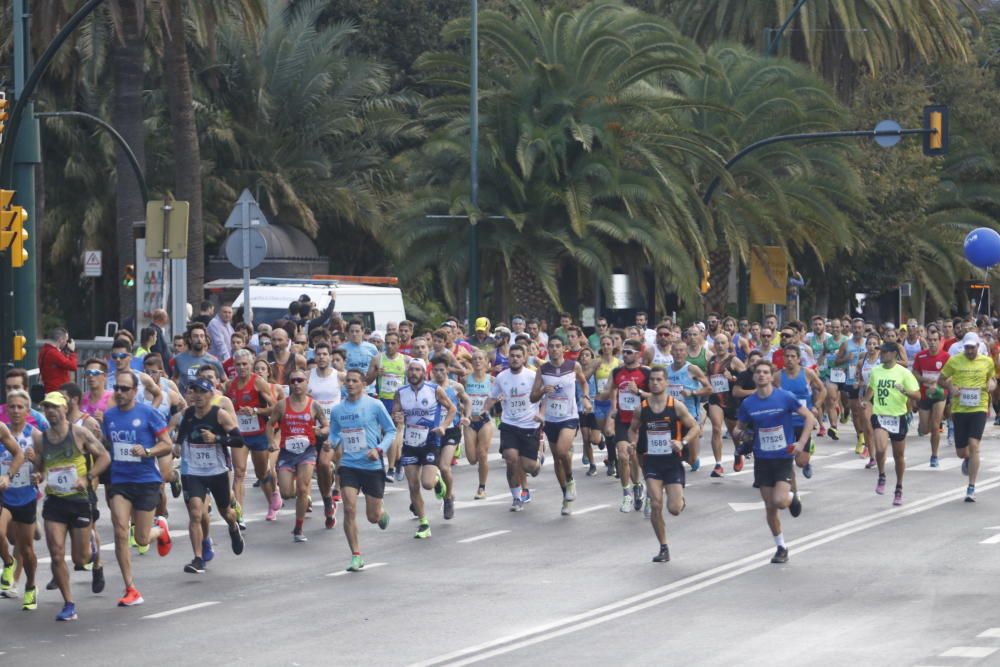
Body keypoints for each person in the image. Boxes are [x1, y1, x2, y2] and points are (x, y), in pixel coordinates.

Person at [35, 392, 110, 621]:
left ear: (65, 409)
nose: (50, 411)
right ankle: (69, 603)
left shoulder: (79, 433)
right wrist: (37, 473)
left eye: (54, 407)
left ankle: (92, 549)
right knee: (57, 555)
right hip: (55, 501)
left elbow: (104, 457)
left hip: (78, 500)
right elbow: (41, 465)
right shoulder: (41, 438)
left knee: (80, 559)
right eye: (47, 407)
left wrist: (87, 478)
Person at [101, 370, 173, 607]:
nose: (119, 393)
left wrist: (148, 451)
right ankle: (130, 588)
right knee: (121, 531)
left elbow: (167, 444)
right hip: (120, 481)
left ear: (134, 391)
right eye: (117, 389)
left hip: (145, 481)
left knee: (141, 539)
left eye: (124, 389)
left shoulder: (148, 413)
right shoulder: (109, 416)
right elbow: (107, 445)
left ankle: (159, 530)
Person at [734, 360, 815, 564]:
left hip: (782, 457)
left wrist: (801, 443)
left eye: (765, 372)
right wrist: (743, 433)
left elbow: (809, 418)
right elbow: (737, 428)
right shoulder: (749, 403)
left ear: (771, 376)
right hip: (762, 459)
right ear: (754, 377)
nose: (761, 375)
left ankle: (792, 497)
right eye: (758, 372)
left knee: (779, 501)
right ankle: (781, 547)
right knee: (770, 506)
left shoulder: (784, 397)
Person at [174, 378, 245, 574]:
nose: (196, 396)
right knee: (196, 512)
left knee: (225, 512)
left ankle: (233, 525)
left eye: (201, 392)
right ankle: (198, 558)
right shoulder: (188, 415)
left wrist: (217, 439)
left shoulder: (220, 415)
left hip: (216, 471)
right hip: (193, 471)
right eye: (193, 391)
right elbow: (181, 434)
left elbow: (239, 440)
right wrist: (177, 446)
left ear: (210, 395)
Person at [629, 367, 699, 562]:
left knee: (674, 509)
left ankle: (680, 500)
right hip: (651, 462)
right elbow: (632, 430)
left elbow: (694, 426)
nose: (655, 383)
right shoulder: (641, 408)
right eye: (652, 380)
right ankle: (663, 547)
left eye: (659, 379)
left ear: (666, 382)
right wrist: (633, 443)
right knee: (657, 503)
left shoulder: (676, 406)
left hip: (672, 462)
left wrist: (682, 442)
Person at [329, 369, 395, 572]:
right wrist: (329, 444)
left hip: (372, 465)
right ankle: (356, 555)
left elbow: (391, 431)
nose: (349, 384)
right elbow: (334, 434)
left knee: (372, 517)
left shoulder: (375, 405)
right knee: (349, 508)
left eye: (354, 381)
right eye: (347, 381)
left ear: (363, 384)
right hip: (349, 464)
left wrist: (379, 449)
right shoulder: (338, 410)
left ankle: (381, 512)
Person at [393, 359, 455, 537]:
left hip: (430, 441)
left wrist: (443, 426)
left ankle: (438, 482)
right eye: (411, 369)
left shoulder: (434, 390)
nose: (413, 373)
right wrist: (397, 418)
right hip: (410, 444)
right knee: (413, 485)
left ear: (424, 372)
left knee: (427, 483)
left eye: (417, 370)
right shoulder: (401, 392)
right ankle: (423, 524)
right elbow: (396, 412)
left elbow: (452, 409)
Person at [530, 336, 591, 515]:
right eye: (551, 347)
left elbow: (584, 383)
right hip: (551, 419)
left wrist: (585, 398)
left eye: (558, 346)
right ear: (547, 349)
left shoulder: (573, 366)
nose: (554, 349)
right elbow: (532, 397)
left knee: (563, 452)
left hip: (569, 417)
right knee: (557, 458)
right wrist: (542, 391)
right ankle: (566, 495)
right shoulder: (543, 370)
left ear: (563, 348)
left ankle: (570, 480)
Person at [268, 368, 329, 542]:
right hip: (287, 453)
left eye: (300, 380)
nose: (296, 384)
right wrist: (271, 441)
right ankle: (303, 497)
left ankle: (298, 528)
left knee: (303, 488)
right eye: (293, 381)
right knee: (287, 493)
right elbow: (270, 424)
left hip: (307, 451)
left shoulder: (314, 405)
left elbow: (326, 425)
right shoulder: (282, 405)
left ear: (306, 383)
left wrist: (320, 431)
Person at [482, 345, 542, 512]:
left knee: (530, 467)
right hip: (509, 424)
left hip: (529, 424)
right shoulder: (502, 377)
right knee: (511, 458)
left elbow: (543, 397)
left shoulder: (532, 376)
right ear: (508, 358)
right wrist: (484, 410)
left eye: (518, 356)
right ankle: (516, 497)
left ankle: (537, 462)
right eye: (512, 356)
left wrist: (542, 414)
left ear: (524, 358)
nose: (515, 358)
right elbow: (492, 397)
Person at [940, 332, 996, 502]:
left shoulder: (986, 361)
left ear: (978, 347)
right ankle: (966, 459)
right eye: (967, 347)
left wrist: (990, 385)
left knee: (974, 445)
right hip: (960, 409)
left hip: (979, 407)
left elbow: (992, 380)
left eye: (972, 347)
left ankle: (971, 487)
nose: (970, 350)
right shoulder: (954, 360)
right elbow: (941, 379)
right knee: (961, 451)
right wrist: (951, 387)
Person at [865, 342, 921, 506]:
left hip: (898, 416)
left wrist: (905, 391)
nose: (880, 355)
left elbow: (917, 395)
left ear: (893, 354)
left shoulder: (904, 373)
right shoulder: (876, 371)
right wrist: (865, 401)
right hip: (880, 414)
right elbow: (871, 388)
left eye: (884, 352)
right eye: (880, 352)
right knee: (881, 449)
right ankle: (882, 475)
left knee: (898, 456)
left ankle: (899, 487)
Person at [0, 390, 39, 609]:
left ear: (27, 410)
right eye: (11, 407)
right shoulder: (3, 429)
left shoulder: (34, 435)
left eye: (20, 407)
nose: (15, 411)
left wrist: (38, 469)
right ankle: (8, 561)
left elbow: (44, 464)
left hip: (25, 495)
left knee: (26, 548)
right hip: (4, 495)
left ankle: (31, 585)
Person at [607, 339, 653, 512]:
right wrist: (613, 408)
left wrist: (639, 392)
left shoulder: (646, 373)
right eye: (623, 352)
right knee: (623, 455)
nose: (624, 355)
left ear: (638, 354)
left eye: (628, 352)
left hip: (642, 422)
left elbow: (657, 395)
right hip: (623, 421)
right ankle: (626, 494)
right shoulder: (618, 371)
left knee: (641, 460)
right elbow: (611, 389)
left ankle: (645, 493)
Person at [309, 342, 345, 527]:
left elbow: (359, 387)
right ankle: (327, 500)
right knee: (320, 468)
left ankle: (335, 489)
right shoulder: (308, 377)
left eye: (325, 354)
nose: (322, 357)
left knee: (325, 463)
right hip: (313, 428)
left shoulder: (339, 376)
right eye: (319, 354)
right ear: (315, 356)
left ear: (330, 356)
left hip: (334, 428)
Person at [913, 330, 950, 467]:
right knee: (925, 430)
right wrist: (924, 379)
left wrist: (939, 384)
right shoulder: (920, 356)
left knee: (935, 426)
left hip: (940, 394)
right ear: (926, 341)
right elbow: (915, 372)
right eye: (930, 340)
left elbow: (951, 376)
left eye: (935, 340)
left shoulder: (946, 356)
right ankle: (925, 424)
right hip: (924, 394)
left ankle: (934, 455)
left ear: (940, 341)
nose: (932, 343)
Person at [463, 349, 494, 498]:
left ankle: (482, 488)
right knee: (472, 459)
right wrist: (463, 410)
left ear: (487, 362)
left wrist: (494, 403)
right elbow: (458, 397)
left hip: (485, 421)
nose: (477, 361)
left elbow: (498, 396)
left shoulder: (492, 380)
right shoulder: (465, 379)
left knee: (482, 454)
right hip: (470, 422)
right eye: (474, 359)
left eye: (480, 358)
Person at [38, 327, 78, 394]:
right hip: (57, 391)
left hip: (49, 389)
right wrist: (72, 352)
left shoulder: (44, 350)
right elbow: (73, 366)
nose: (66, 343)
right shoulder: (53, 353)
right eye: (66, 340)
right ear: (61, 339)